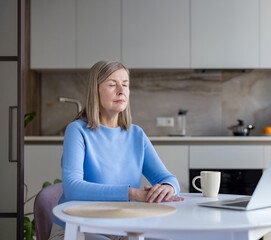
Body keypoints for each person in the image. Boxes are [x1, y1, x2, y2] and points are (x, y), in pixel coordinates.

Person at [49, 61, 184, 240]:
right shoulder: (77, 131)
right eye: (112, 84)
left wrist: (168, 188)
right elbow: (73, 187)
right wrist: (132, 194)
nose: (121, 91)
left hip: (124, 228)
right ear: (95, 91)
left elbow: (168, 179)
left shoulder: (136, 134)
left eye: (125, 85)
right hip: (78, 228)